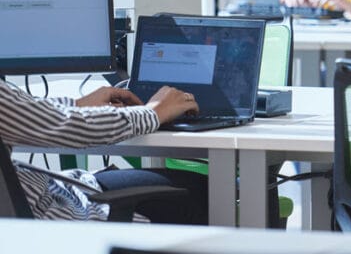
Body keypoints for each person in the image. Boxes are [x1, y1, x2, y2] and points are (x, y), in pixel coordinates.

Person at [0, 82, 207, 223]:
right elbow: (74, 128)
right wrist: (153, 112)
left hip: (51, 194)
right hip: (57, 218)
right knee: (205, 192)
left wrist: (78, 105)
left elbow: (27, 114)